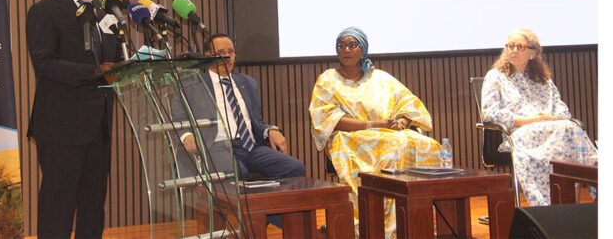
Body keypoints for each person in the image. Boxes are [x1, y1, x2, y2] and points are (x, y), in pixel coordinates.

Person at [26, 0, 120, 238]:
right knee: (58, 208)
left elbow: (113, 61)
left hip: (98, 128)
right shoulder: (44, 11)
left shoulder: (102, 14)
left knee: (93, 207)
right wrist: (95, 72)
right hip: (61, 129)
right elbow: (45, 63)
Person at [309, 27, 440, 238]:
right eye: (341, 45)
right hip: (349, 137)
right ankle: (382, 225)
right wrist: (374, 125)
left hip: (387, 133)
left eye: (352, 45)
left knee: (428, 145)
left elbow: (409, 104)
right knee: (395, 146)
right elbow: (327, 118)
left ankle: (416, 220)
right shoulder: (328, 79)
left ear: (363, 49)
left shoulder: (379, 78)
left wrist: (403, 121)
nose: (346, 50)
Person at [481, 28, 597, 206]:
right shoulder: (495, 77)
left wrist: (552, 118)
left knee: (572, 128)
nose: (513, 50)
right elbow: (490, 112)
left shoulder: (543, 79)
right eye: (510, 46)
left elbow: (562, 109)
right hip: (520, 132)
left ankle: (589, 190)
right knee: (566, 131)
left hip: (553, 130)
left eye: (520, 46)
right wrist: (532, 120)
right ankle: (544, 205)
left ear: (532, 53)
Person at [173, 33, 305, 181]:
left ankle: (266, 197)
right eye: (221, 53)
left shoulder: (248, 83)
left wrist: (270, 131)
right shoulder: (192, 85)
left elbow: (257, 122)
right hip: (216, 146)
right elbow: (178, 118)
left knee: (295, 167)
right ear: (208, 56)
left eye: (231, 52)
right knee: (237, 172)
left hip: (250, 146)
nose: (227, 57)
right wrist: (187, 136)